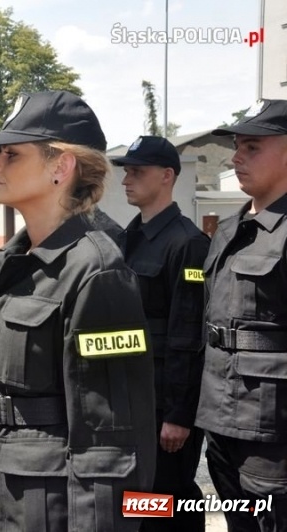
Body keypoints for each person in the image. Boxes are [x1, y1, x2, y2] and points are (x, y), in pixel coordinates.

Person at [0, 90, 156, 531]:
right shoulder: (11, 263)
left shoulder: (97, 271)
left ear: (60, 167)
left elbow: (111, 445)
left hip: (45, 510)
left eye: (11, 155)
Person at [196, 98, 287, 532]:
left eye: (252, 147)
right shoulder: (229, 229)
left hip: (273, 433)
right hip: (221, 416)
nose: (236, 158)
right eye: (237, 146)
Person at [112, 136, 209, 531]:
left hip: (162, 408)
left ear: (167, 176)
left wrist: (179, 415)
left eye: (137, 171)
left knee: (166, 500)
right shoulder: (126, 240)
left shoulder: (187, 244)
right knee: (136, 503)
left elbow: (188, 335)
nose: (126, 180)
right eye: (126, 171)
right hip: (128, 401)